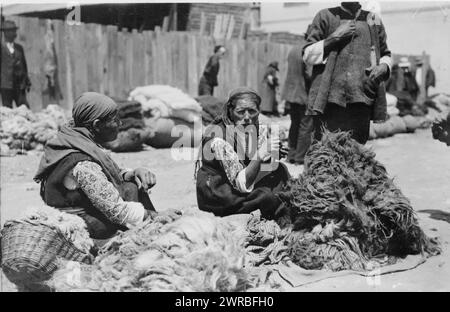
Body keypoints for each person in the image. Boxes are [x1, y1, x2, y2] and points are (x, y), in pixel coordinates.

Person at [34, 92, 163, 239]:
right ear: (97, 125)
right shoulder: (83, 164)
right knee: (131, 190)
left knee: (130, 183)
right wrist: (156, 216)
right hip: (82, 227)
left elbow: (106, 174)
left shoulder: (74, 140)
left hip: (79, 208)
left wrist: (132, 173)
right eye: (115, 120)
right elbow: (117, 211)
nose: (120, 124)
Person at [303, 1, 392, 145]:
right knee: (326, 152)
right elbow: (307, 54)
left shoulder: (373, 19)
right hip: (329, 102)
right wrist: (334, 38)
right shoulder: (324, 16)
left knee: (357, 154)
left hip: (361, 99)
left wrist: (384, 66)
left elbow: (385, 53)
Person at [195, 87, 290, 218]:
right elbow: (242, 184)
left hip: (236, 182)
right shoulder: (218, 139)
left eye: (252, 111)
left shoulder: (249, 127)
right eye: (240, 112)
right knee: (270, 197)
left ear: (258, 112)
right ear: (230, 111)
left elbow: (248, 159)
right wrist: (260, 155)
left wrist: (272, 154)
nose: (247, 117)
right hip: (220, 193)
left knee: (280, 172)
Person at [281, 27, 314, 165]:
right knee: (306, 126)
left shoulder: (294, 48)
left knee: (295, 124)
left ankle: (291, 155)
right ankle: (300, 157)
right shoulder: (308, 49)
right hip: (303, 94)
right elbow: (309, 74)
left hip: (291, 94)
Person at [0, 20, 31, 108]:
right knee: (7, 110)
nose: (14, 33)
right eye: (11, 31)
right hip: (6, 85)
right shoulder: (1, 48)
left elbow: (24, 66)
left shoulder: (19, 48)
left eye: (14, 31)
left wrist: (26, 81)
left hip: (19, 86)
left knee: (24, 108)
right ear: (5, 33)